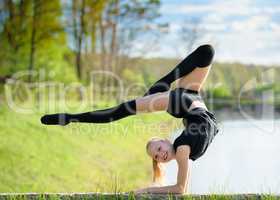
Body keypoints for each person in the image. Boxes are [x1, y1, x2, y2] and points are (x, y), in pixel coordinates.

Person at [41, 44, 219, 194]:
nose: (160, 155)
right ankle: (157, 89)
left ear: (166, 141)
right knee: (207, 52)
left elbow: (180, 189)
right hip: (193, 101)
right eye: (157, 156)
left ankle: (71, 118)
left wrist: (146, 190)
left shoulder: (181, 149)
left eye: (158, 149)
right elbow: (182, 189)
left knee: (119, 111)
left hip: (182, 102)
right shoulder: (182, 152)